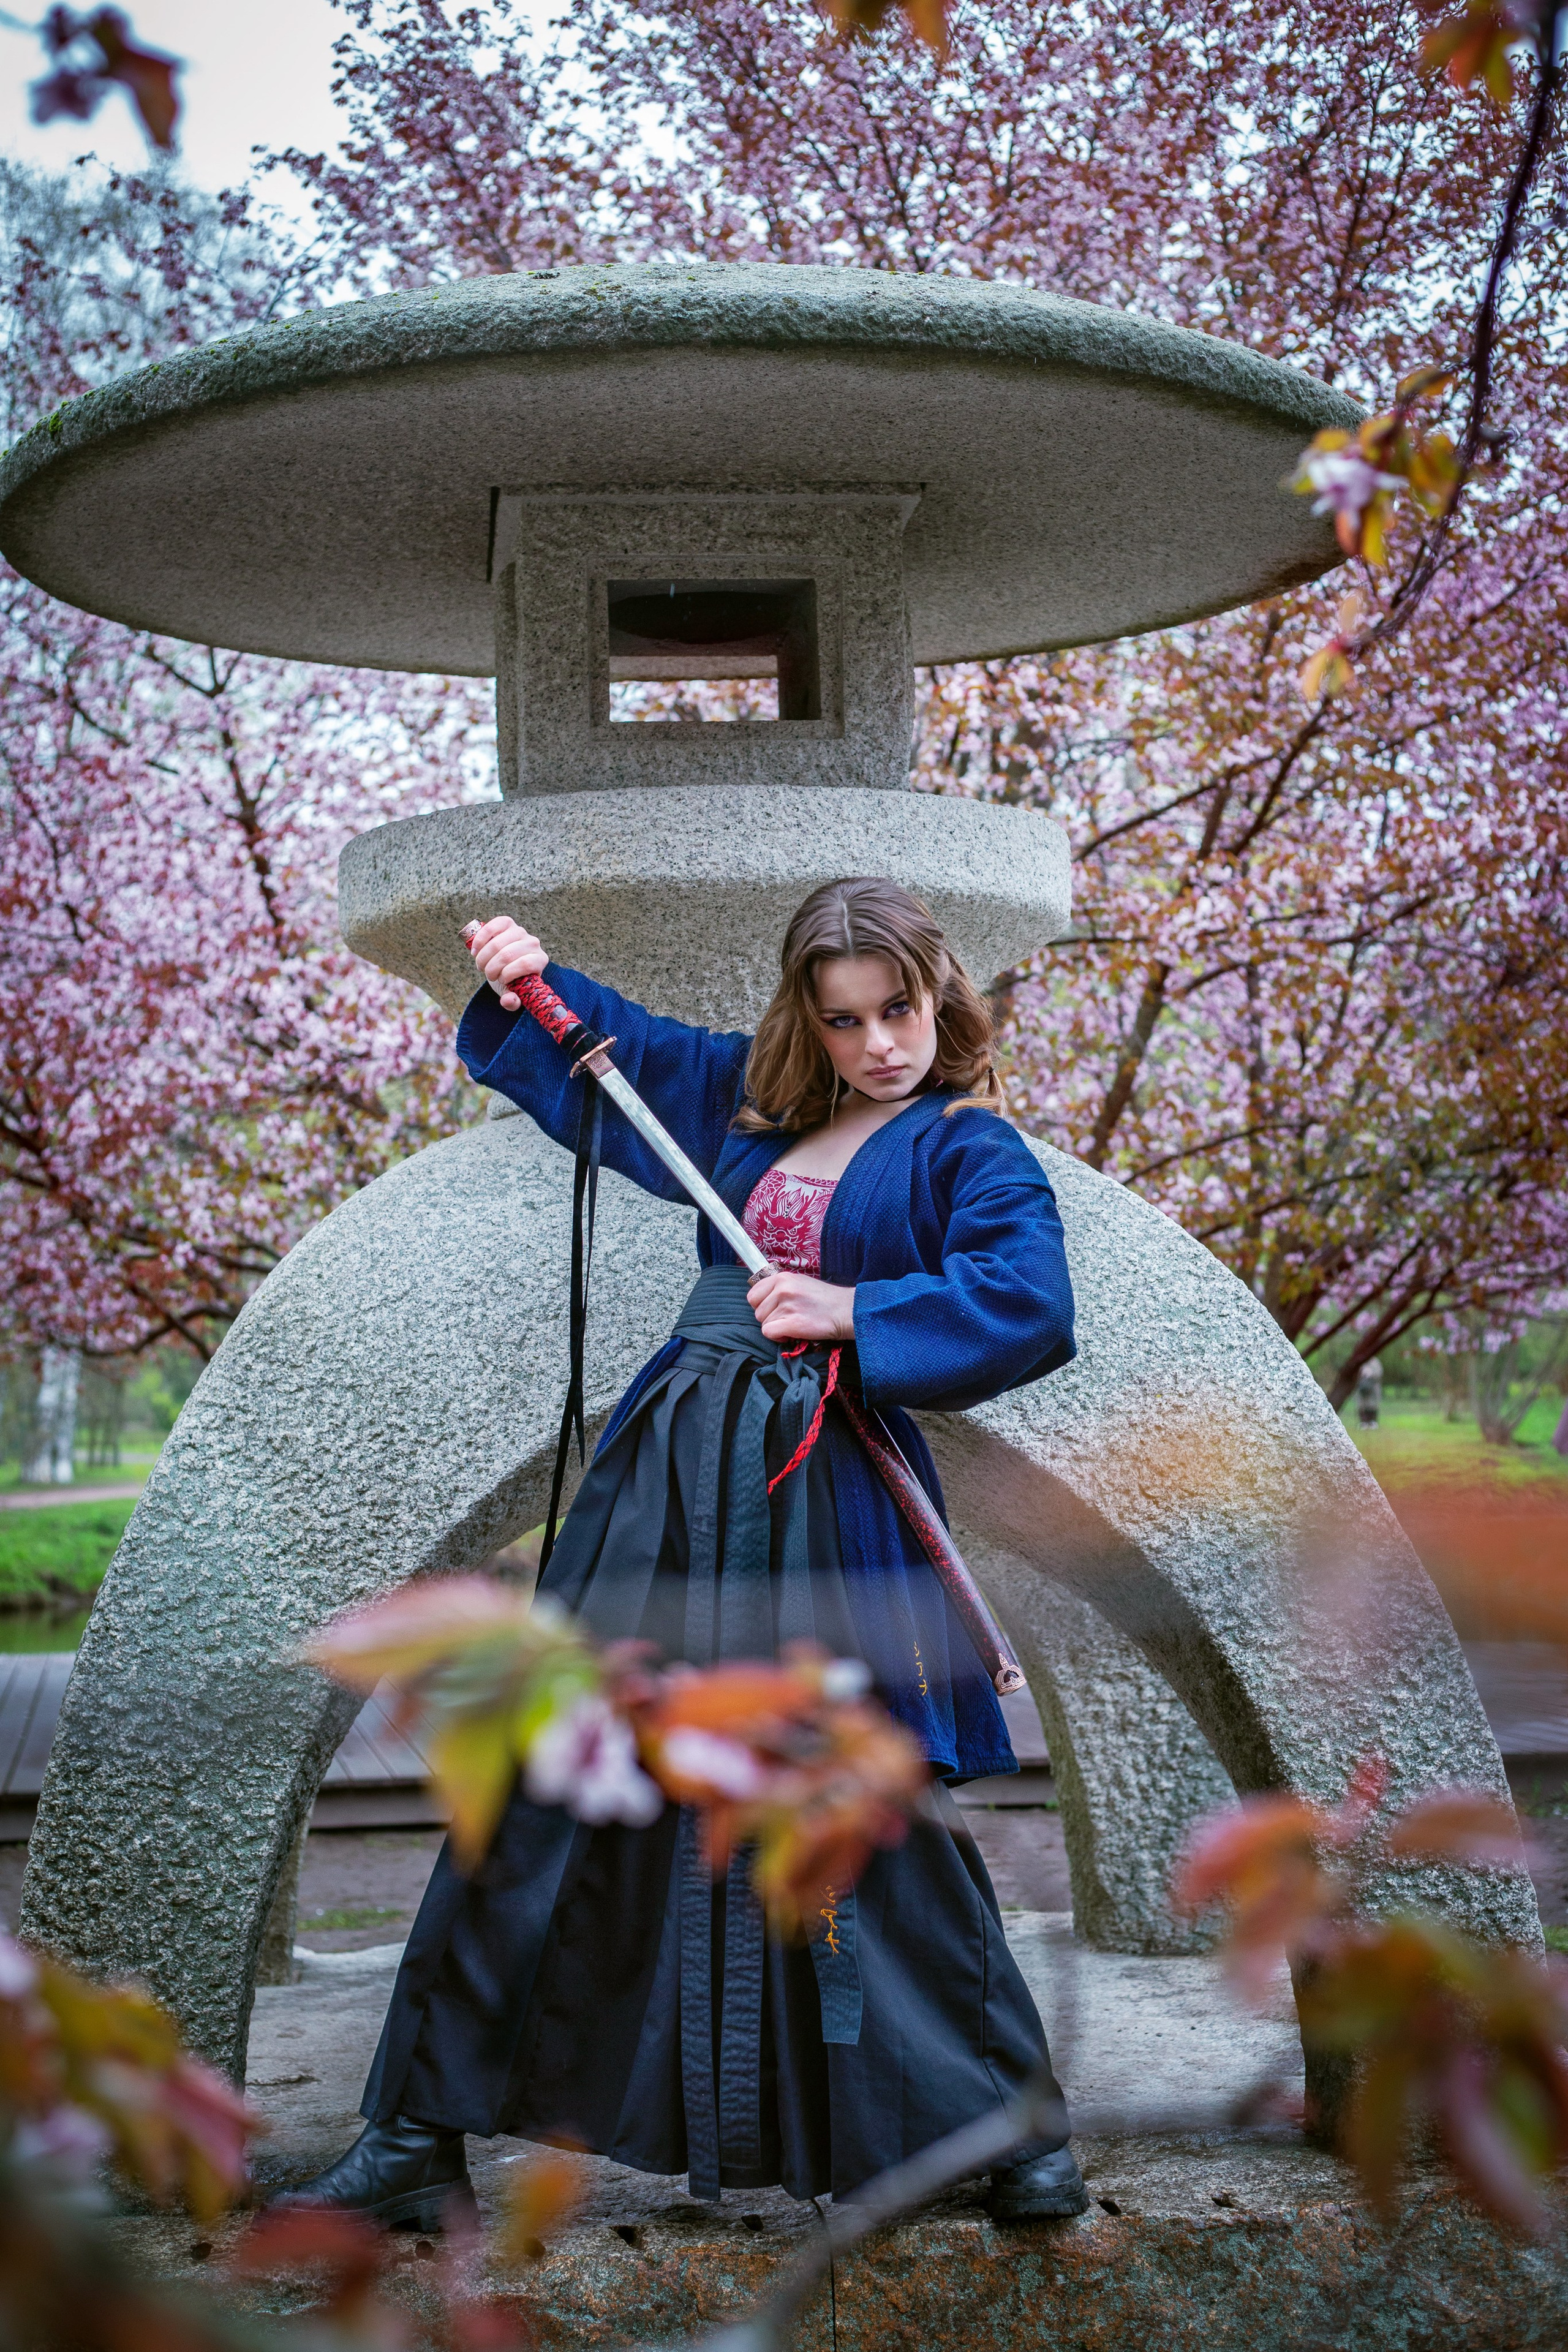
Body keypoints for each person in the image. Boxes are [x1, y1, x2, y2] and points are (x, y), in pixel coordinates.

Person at [279, 876, 1087, 2229]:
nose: (877, 1041)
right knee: (556, 1779)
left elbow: (1025, 1301)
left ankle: (1005, 2132)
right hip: (664, 1490)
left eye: (899, 1009)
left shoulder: (966, 1150)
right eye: (845, 1020)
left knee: (857, 1800)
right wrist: (533, 978)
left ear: (940, 998)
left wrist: (849, 1306)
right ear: (808, 1023)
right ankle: (416, 2130)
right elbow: (619, 1051)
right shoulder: (745, 1107)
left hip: (821, 1498)